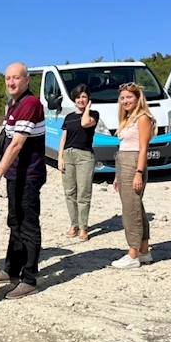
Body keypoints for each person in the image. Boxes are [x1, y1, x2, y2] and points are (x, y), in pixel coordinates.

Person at [0, 62, 46, 299]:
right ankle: (12, 270)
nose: (11, 82)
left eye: (16, 78)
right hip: (15, 174)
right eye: (8, 78)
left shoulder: (30, 104)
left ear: (27, 80)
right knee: (14, 222)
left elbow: (17, 144)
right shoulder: (13, 104)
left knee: (28, 225)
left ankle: (29, 279)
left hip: (28, 175)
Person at [110, 82, 157, 269]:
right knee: (137, 208)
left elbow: (143, 148)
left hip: (134, 164)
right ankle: (144, 251)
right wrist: (117, 175)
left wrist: (138, 173)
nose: (125, 101)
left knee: (131, 211)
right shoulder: (128, 118)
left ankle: (132, 254)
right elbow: (124, 146)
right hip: (124, 163)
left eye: (129, 97)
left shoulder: (143, 118)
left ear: (138, 98)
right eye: (122, 98)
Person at [58, 84, 100, 241]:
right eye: (78, 97)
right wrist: (60, 158)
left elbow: (84, 123)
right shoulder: (69, 117)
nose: (81, 100)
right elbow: (63, 138)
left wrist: (87, 108)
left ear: (89, 99)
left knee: (83, 193)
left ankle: (83, 227)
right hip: (68, 155)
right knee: (70, 192)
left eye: (84, 97)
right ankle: (74, 225)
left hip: (84, 156)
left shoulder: (93, 114)